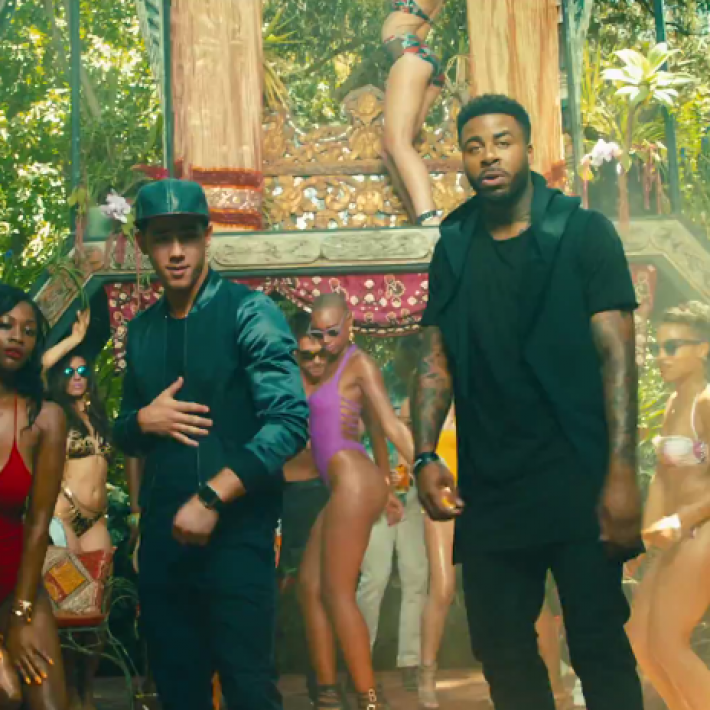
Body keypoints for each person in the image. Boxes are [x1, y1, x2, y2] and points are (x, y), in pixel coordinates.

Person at [411, 94, 644, 710]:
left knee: (598, 644)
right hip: (491, 484)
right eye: (474, 146)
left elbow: (618, 357)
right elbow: (435, 357)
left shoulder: (583, 232)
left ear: (528, 149)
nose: (488, 156)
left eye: (502, 142)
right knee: (500, 648)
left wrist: (622, 472)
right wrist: (424, 454)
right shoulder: (453, 245)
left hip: (578, 474)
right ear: (462, 159)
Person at [113, 178, 309, 710]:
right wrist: (143, 421)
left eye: (187, 236)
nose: (176, 251)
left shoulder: (249, 312)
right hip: (163, 543)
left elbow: (289, 422)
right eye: (162, 238)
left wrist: (212, 496)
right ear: (142, 243)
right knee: (178, 691)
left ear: (207, 236)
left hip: (237, 536)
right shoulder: (141, 331)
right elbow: (122, 431)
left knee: (249, 687)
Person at [298, 294, 414, 710]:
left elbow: (388, 424)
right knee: (309, 586)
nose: (325, 341)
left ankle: (368, 700)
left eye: (333, 332)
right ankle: (328, 694)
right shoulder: (320, 366)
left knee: (337, 592)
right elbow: (371, 432)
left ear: (350, 323)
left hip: (354, 480)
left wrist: (425, 463)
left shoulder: (359, 363)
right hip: (345, 485)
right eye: (317, 333)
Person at [627, 301, 710, 710]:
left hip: (701, 530)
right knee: (641, 642)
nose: (662, 356)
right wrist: (644, 539)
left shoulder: (706, 403)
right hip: (673, 533)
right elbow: (663, 476)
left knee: (667, 642)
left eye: (674, 347)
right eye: (659, 347)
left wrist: (682, 519)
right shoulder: (676, 402)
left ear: (704, 349)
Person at [0, 284, 68, 710]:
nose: (16, 337)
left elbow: (40, 522)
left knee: (48, 702)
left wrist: (20, 614)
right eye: (5, 325)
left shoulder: (46, 418)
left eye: (28, 331)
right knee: (6, 694)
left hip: (15, 584)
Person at [355, 344, 428, 697]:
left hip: (415, 491)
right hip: (378, 489)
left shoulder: (430, 383)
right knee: (375, 577)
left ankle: (411, 661)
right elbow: (366, 434)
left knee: (417, 577)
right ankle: (359, 660)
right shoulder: (377, 380)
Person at [381, 0, 445, 226]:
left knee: (398, 143)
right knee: (389, 151)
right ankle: (419, 219)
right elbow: (424, 25)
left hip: (411, 56)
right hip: (421, 56)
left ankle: (429, 218)